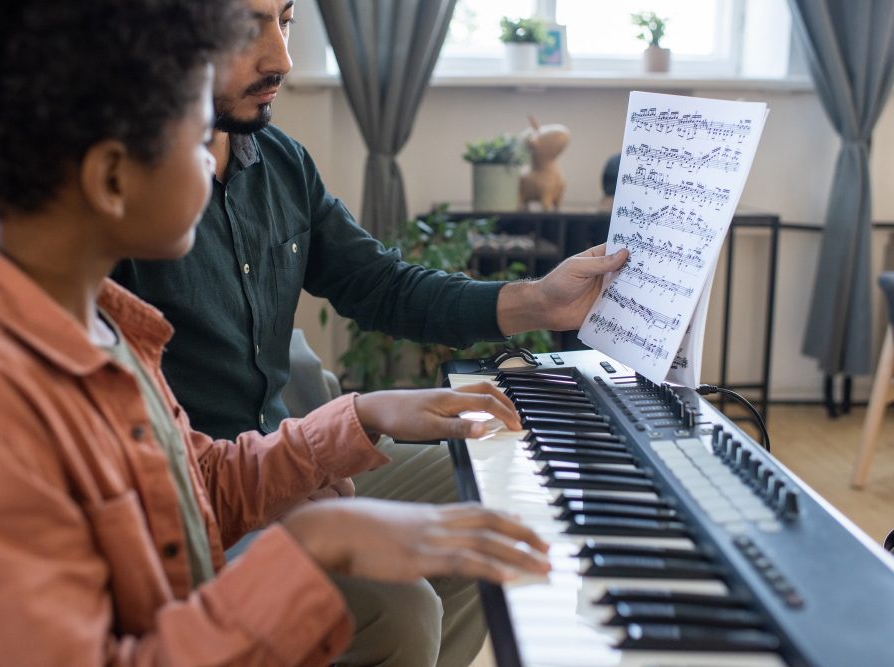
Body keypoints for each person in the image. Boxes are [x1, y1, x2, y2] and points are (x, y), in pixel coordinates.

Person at [0, 1, 552, 665]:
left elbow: (196, 480)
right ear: (113, 177)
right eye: (198, 137)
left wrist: (356, 420)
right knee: (402, 607)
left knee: (472, 517)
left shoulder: (103, 328)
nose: (215, 161)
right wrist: (309, 546)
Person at [112, 1, 628, 664]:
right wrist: (322, 457)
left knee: (489, 502)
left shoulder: (281, 162)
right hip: (203, 504)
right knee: (403, 607)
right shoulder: (113, 218)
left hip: (268, 463)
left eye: (287, 19)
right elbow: (158, 481)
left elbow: (380, 284)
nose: (282, 58)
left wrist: (536, 301)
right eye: (248, 26)